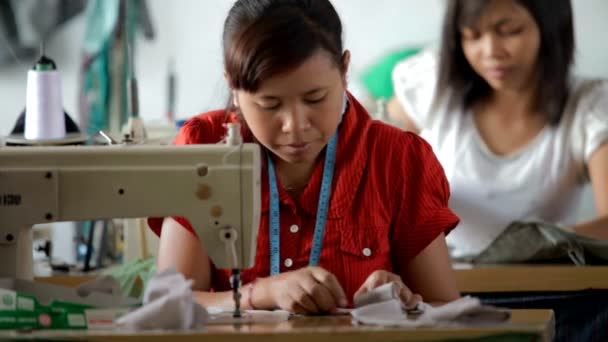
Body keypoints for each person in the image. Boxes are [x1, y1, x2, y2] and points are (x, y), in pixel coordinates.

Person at [149, 0, 460, 314]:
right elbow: (170, 304)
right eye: (269, 104)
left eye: (315, 98)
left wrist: (404, 303)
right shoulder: (203, 147)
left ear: (344, 70)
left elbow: (446, 307)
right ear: (232, 85)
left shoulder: (398, 159)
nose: (295, 126)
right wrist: (261, 293)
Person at [388, 0, 608, 259]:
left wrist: (543, 244)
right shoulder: (434, 86)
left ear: (551, 28)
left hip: (547, 282)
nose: (490, 51)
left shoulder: (589, 106)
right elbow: (374, 174)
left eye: (510, 31)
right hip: (445, 281)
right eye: (473, 35)